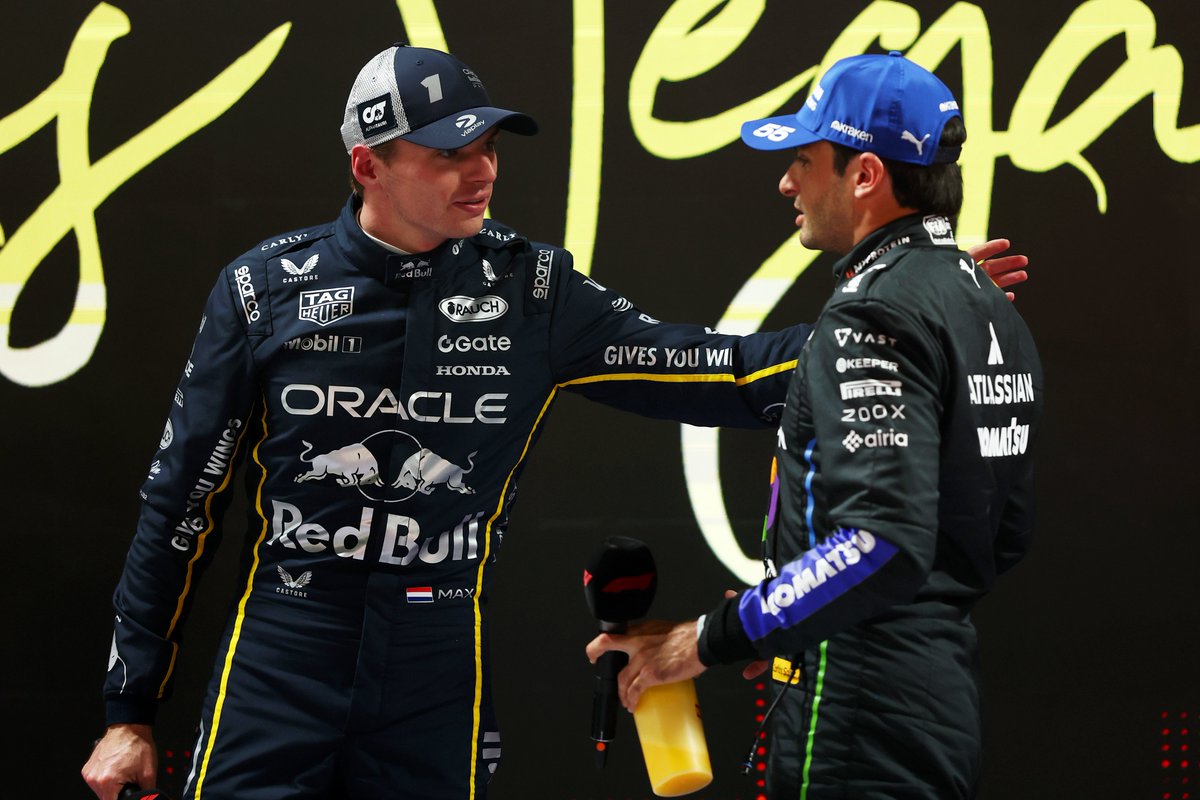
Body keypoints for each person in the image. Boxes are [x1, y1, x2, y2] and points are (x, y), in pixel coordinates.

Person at [82, 44, 1027, 800]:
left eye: (490, 146)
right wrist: (129, 711)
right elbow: (180, 504)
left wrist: (915, 303)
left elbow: (727, 374)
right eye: (450, 153)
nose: (481, 171)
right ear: (368, 164)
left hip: (436, 656)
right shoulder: (259, 289)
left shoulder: (530, 287)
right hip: (282, 647)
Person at [586, 51, 1044, 799]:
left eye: (803, 160)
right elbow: (1001, 536)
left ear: (863, 175)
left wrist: (703, 643)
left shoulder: (875, 310)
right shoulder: (986, 305)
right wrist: (796, 614)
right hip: (936, 705)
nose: (786, 182)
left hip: (857, 716)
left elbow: (881, 543)